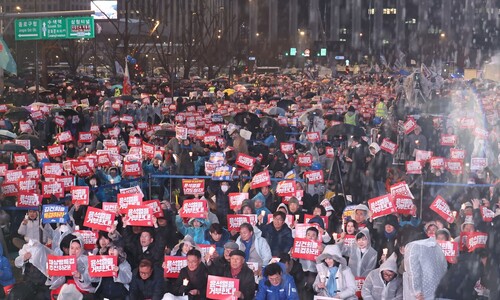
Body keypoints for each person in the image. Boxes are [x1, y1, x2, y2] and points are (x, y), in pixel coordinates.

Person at [403, 235, 447, 300]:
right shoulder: (436, 246)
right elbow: (444, 267)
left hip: (423, 294)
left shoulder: (413, 247)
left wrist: (417, 292)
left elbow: (413, 272)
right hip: (439, 290)